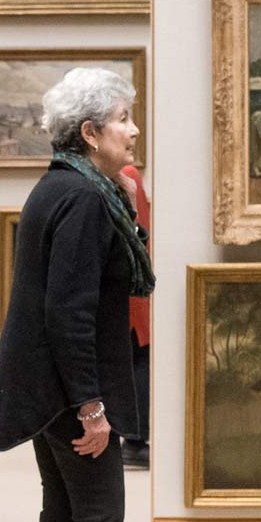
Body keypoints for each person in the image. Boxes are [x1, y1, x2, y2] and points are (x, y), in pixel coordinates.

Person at [0, 67, 163, 522]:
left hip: (44, 385)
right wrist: (92, 408)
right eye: (123, 118)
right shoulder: (88, 197)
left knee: (62, 511)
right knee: (99, 513)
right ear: (91, 132)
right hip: (67, 391)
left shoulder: (64, 185)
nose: (133, 129)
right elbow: (70, 313)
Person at [116, 156, 153, 470]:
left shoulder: (125, 174)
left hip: (131, 288)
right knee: (140, 358)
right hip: (133, 291)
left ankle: (134, 437)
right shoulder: (127, 174)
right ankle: (136, 440)